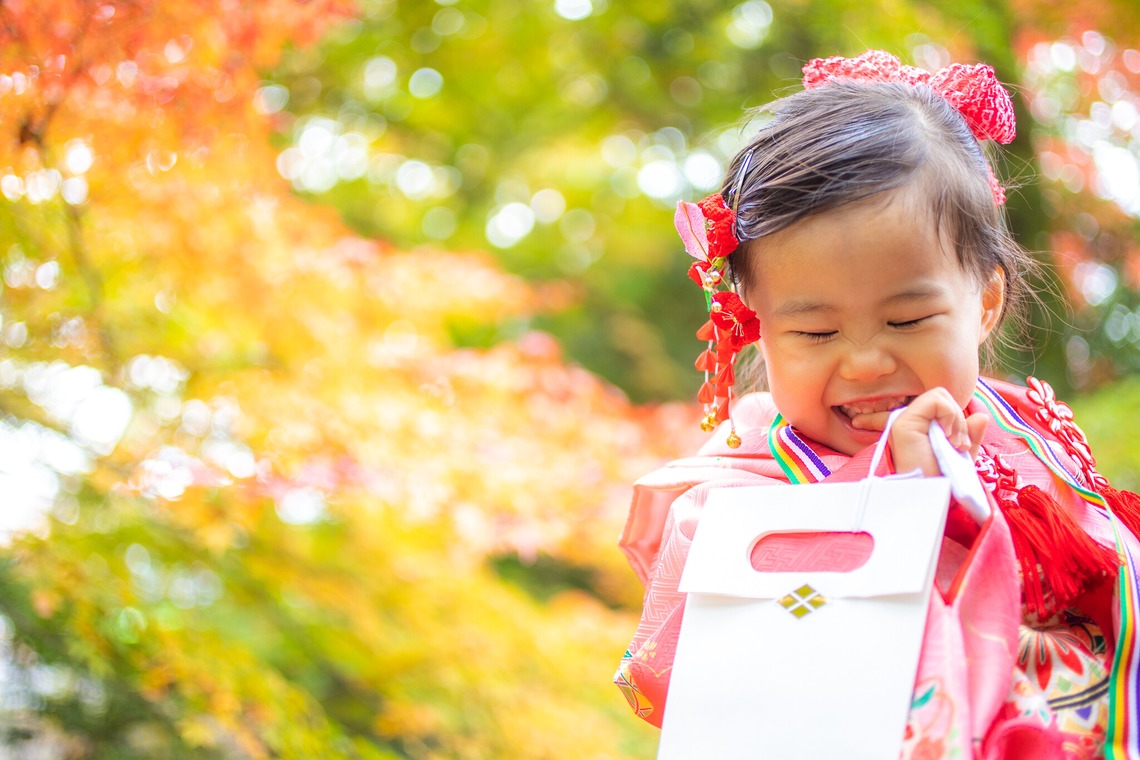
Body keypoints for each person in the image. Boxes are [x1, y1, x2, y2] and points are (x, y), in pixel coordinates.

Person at [614, 50, 1140, 759]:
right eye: (816, 331)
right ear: (758, 328)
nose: (864, 361)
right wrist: (903, 499)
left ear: (984, 301)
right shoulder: (732, 504)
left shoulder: (1031, 435)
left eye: (908, 320)